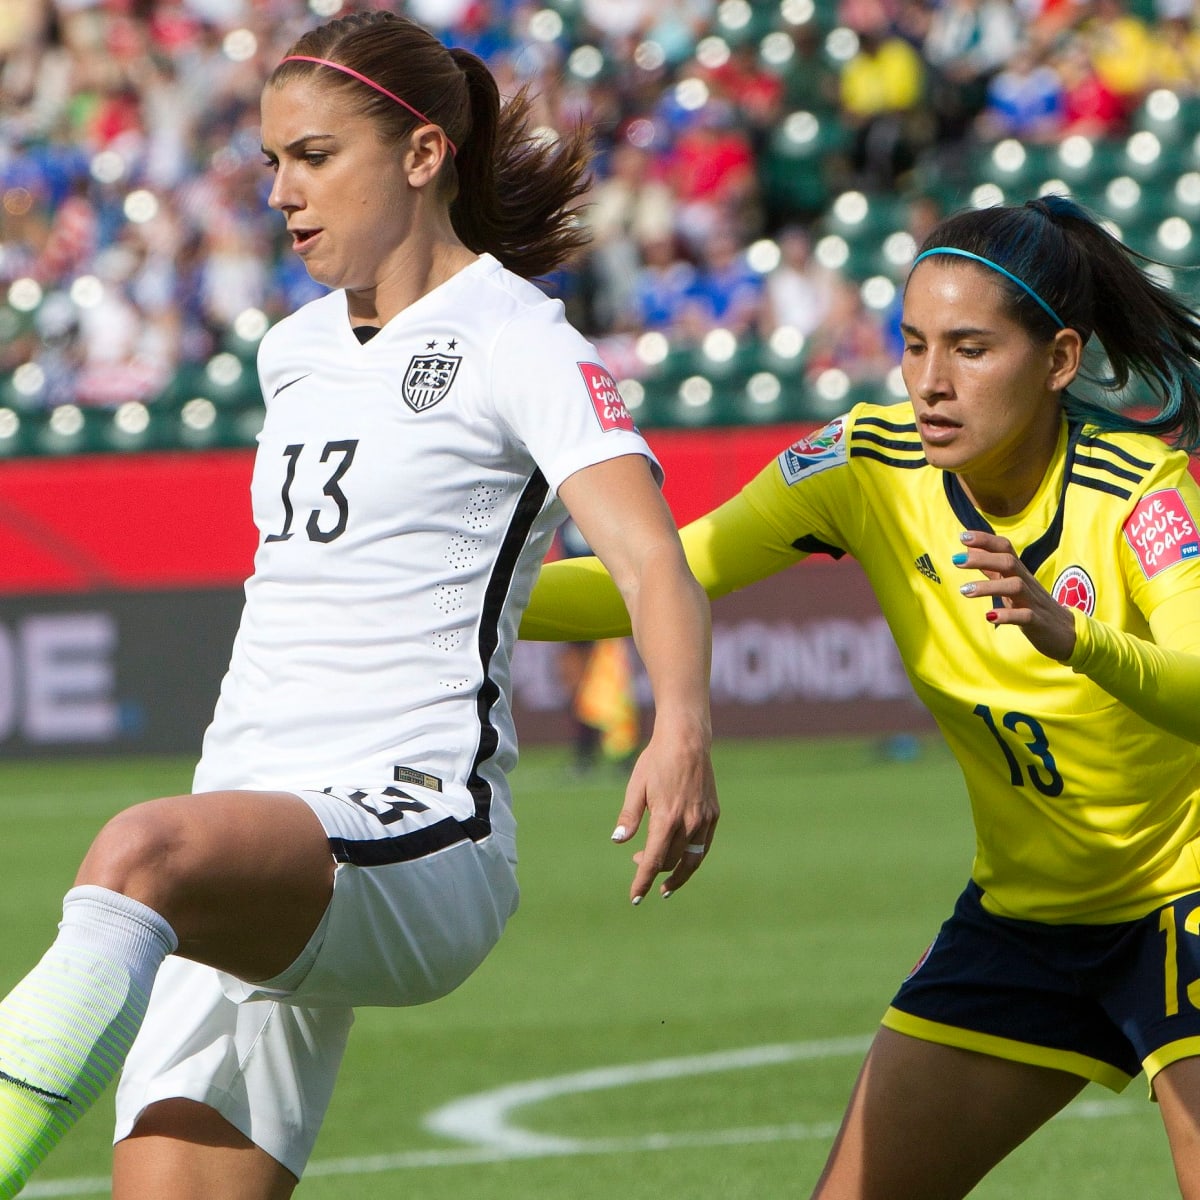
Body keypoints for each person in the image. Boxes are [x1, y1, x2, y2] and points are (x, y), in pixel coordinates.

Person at [0, 12, 719, 1199]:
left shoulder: (516, 337)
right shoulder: (291, 350)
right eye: (272, 160)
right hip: (254, 834)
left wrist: (681, 725)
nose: (283, 191)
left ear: (423, 155)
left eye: (317, 156)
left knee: (137, 853)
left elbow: (649, 560)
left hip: (415, 826)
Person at [521, 194, 1200, 1198]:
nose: (931, 382)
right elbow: (660, 577)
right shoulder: (861, 465)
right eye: (914, 344)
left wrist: (1076, 636)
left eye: (971, 349)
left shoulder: (1142, 491)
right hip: (1028, 919)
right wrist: (440, 599)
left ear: (1058, 360)